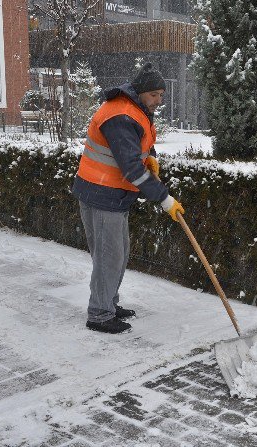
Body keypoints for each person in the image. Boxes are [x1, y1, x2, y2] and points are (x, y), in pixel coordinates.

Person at [72, 63, 185, 334]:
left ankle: (108, 302)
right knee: (109, 257)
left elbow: (142, 143)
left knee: (117, 255)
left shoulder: (134, 110)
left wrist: (152, 158)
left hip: (113, 194)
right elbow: (132, 168)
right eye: (154, 95)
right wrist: (165, 200)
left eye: (161, 95)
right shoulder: (121, 116)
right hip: (102, 194)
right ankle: (99, 314)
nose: (159, 101)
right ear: (141, 92)